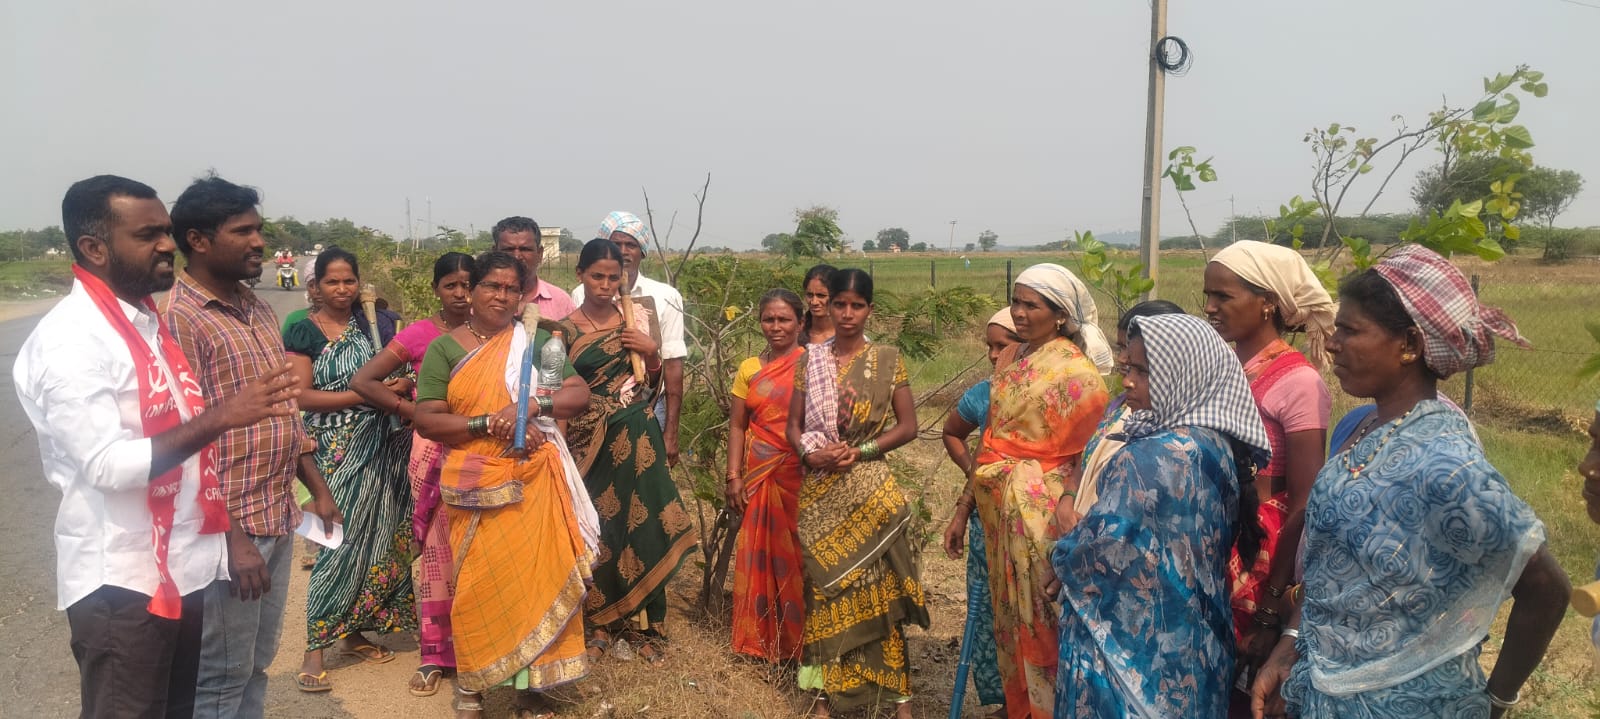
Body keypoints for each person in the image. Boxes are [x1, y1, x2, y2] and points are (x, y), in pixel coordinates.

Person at [14, 175, 304, 719]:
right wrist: (224, 415)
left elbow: (187, 447)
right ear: (95, 248)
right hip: (122, 581)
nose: (168, 245)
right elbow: (106, 465)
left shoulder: (146, 324)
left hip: (180, 567)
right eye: (148, 235)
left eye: (166, 231)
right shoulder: (73, 340)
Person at [1251, 245, 1570, 719]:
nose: (1333, 344)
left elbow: (1546, 588)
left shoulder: (1446, 464)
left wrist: (1497, 700)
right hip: (1326, 694)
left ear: (1410, 345)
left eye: (1351, 330)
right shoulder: (1368, 432)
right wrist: (1289, 646)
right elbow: (1335, 567)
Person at [164, 175, 343, 719]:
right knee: (220, 675)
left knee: (256, 663)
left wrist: (316, 488)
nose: (260, 242)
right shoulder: (179, 319)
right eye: (243, 231)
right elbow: (185, 442)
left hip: (277, 514)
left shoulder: (257, 308)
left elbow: (285, 407)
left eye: (258, 229)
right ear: (198, 240)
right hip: (227, 529)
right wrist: (233, 540)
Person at [1052, 313, 1269, 718]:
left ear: (1184, 376)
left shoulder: (1149, 457)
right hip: (1195, 645)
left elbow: (1102, 550)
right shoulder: (1214, 445)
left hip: (1134, 656)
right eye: (1128, 368)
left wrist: (1061, 555)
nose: (1128, 382)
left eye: (1144, 372)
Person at [413, 250, 598, 719]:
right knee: (477, 586)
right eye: (492, 286)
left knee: (535, 581)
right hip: (476, 480)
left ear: (521, 296)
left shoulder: (534, 343)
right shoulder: (446, 349)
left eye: (511, 288)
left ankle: (529, 688)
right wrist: (486, 424)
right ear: (471, 290)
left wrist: (532, 406)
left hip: (534, 478)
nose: (502, 296)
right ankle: (472, 688)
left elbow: (578, 393)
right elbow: (428, 420)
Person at [784, 269, 929, 718]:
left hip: (869, 491)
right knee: (822, 593)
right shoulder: (810, 360)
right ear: (827, 306)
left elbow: (908, 426)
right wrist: (810, 455)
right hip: (820, 491)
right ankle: (822, 699)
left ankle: (900, 701)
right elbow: (793, 426)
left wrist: (861, 451)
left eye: (857, 305)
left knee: (880, 594)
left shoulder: (887, 358)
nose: (847, 313)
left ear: (870, 309)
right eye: (839, 304)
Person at [969, 263, 1110, 716]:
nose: (1019, 312)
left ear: (1061, 314)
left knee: (1044, 616)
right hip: (1002, 508)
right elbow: (992, 432)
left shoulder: (1077, 373)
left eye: (1031, 305)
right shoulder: (1014, 357)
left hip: (1043, 514)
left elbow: (1090, 455)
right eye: (1016, 302)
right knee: (1012, 615)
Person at [285, 247, 418, 692]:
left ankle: (355, 633)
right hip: (336, 446)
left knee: (381, 538)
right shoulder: (303, 330)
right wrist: (367, 393)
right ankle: (315, 647)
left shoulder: (376, 324)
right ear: (316, 286)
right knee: (336, 541)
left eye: (349, 281)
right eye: (332, 282)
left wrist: (399, 386)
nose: (342, 289)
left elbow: (402, 371)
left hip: (385, 444)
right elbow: (301, 395)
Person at [1203, 240, 1335, 689]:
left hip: (1258, 554)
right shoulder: (1220, 367)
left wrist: (1271, 603)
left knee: (1242, 682)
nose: (1210, 307)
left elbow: (1304, 501)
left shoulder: (1299, 382)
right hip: (1212, 540)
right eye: (1208, 295)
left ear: (1268, 303)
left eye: (1223, 296)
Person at [562, 239, 697, 664]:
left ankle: (647, 625)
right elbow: (559, 394)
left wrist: (652, 354)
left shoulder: (636, 319)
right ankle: (600, 622)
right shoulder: (563, 331)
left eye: (612, 277)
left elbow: (650, 385)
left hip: (639, 436)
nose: (605, 285)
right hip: (590, 443)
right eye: (596, 276)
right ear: (580, 275)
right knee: (601, 527)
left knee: (646, 522)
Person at [348, 251, 474, 698]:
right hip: (434, 451)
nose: (460, 294)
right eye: (450, 285)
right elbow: (364, 380)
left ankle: (478, 650)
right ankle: (435, 653)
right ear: (436, 289)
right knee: (438, 552)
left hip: (482, 450)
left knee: (478, 552)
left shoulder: (496, 335)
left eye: (467, 284)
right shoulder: (420, 334)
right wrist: (409, 410)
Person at [939, 308, 1023, 715]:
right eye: (989, 346)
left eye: (1001, 346)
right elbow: (953, 433)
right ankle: (1006, 702)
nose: (992, 355)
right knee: (989, 609)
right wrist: (975, 476)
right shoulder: (984, 394)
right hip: (987, 517)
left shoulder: (1055, 393)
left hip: (1034, 522)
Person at [725, 288, 808, 663]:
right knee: (759, 554)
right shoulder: (749, 369)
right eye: (768, 319)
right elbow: (737, 425)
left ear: (800, 323)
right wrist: (733, 476)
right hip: (758, 475)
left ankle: (799, 645)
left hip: (799, 474)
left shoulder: (812, 365)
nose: (776, 326)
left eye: (784, 319)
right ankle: (760, 642)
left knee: (798, 558)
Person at [572, 211, 687, 464]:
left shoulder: (666, 296)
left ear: (642, 252)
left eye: (631, 245)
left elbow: (673, 365)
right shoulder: (580, 294)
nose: (623, 251)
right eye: (616, 244)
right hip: (592, 409)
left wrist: (671, 432)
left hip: (648, 405)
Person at [1073, 300, 1186, 516]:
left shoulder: (1170, 427)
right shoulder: (1122, 405)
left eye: (1128, 347)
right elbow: (1088, 456)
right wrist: (1068, 499)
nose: (1122, 357)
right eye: (1121, 347)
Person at [491, 216, 576, 320]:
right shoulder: (480, 301)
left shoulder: (561, 302)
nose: (517, 256)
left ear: (539, 254)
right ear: (494, 253)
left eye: (525, 249)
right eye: (508, 249)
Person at [800, 264, 837, 346]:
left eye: (821, 295)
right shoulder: (796, 332)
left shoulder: (849, 336)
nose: (814, 302)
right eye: (809, 295)